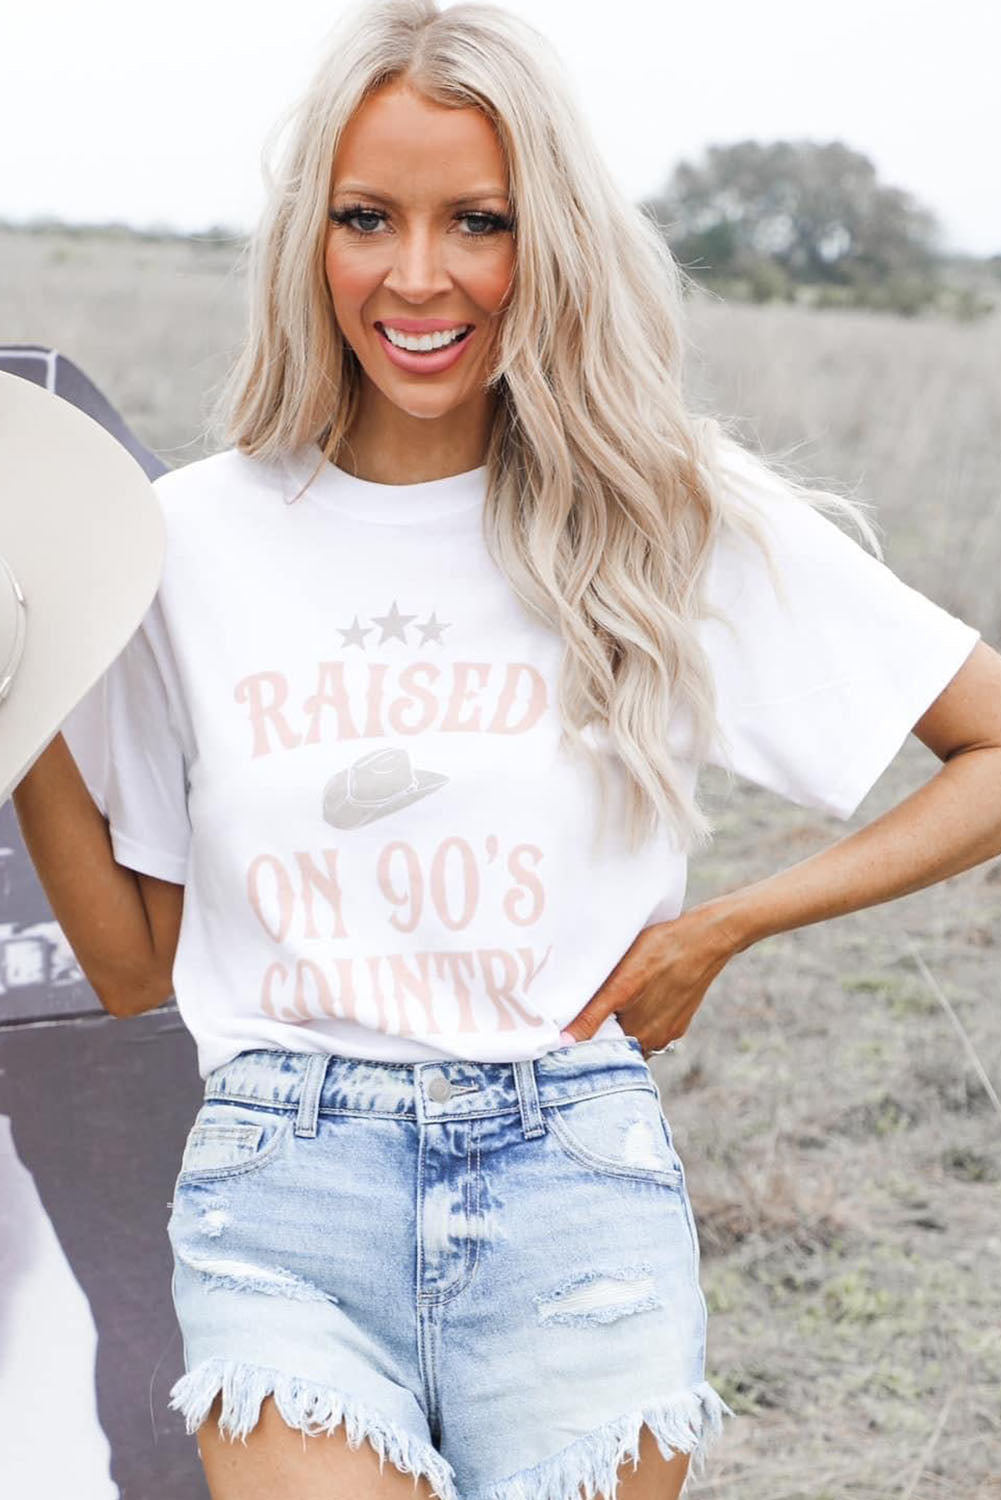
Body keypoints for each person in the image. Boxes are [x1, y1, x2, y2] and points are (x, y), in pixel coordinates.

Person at [14, 1, 1001, 1497]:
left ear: (551, 245)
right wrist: (21, 701)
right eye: (366, 218)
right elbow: (138, 967)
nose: (417, 275)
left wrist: (725, 927)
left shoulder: (657, 515)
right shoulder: (190, 540)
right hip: (285, 1199)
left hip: (572, 1194)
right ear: (307, 241)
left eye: (478, 221)